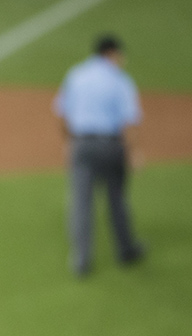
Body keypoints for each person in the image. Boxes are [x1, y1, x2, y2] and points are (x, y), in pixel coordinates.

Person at [54, 34, 145, 277]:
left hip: (81, 144)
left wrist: (69, 143)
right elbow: (129, 121)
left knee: (81, 203)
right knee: (117, 199)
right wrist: (133, 152)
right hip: (111, 145)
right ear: (112, 53)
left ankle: (81, 260)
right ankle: (125, 250)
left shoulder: (76, 75)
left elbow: (61, 113)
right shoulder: (119, 80)